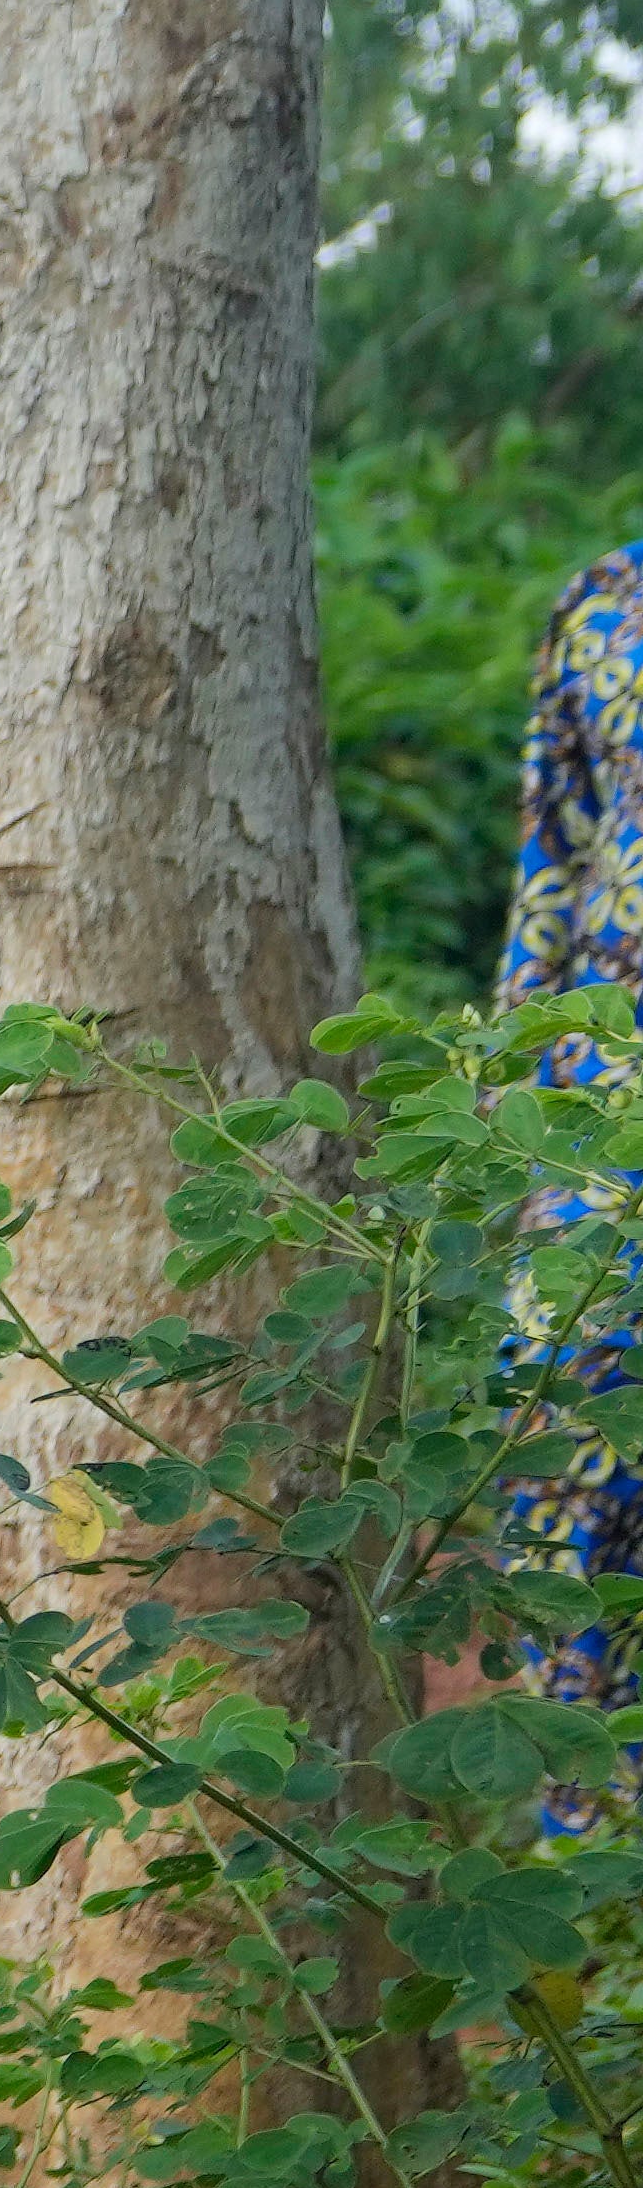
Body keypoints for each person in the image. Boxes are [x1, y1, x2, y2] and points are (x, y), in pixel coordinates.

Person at [500, 529, 643, 1720]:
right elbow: (555, 844)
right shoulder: (601, 600)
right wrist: (511, 1073)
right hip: (604, 1076)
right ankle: (575, 1804)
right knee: (565, 1388)